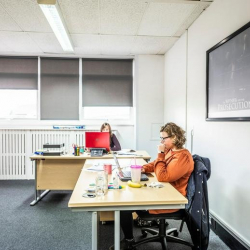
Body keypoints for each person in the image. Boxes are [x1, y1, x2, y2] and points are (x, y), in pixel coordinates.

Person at [109, 122, 194, 250]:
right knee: (129, 196)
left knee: (124, 206)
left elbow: (163, 176)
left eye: (163, 138)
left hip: (171, 200)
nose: (161, 141)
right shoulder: (171, 151)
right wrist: (143, 168)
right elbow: (156, 164)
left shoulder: (183, 157)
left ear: (175, 137)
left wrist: (160, 153)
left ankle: (129, 241)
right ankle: (129, 238)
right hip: (163, 193)